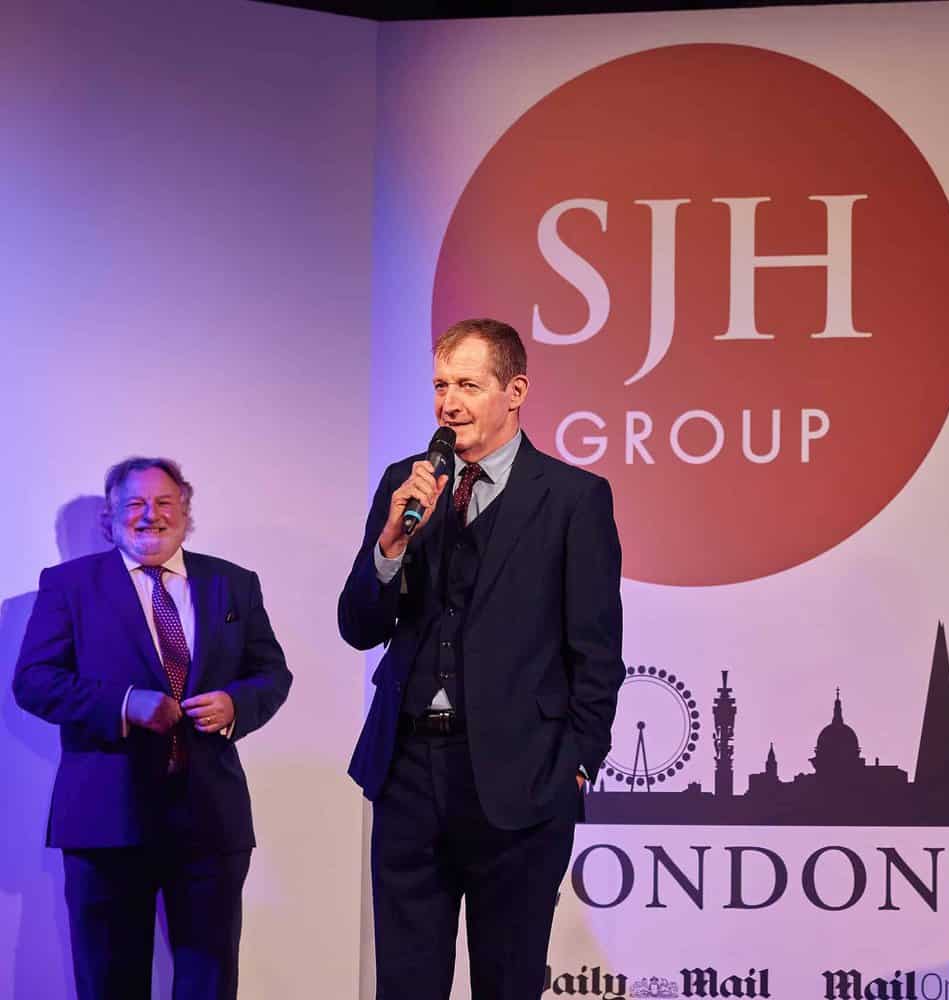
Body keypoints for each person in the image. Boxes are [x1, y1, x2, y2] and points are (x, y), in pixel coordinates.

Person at [339, 317, 625, 1000]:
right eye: (440, 385)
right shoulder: (403, 484)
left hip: (521, 781)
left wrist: (575, 767)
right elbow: (357, 626)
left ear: (515, 390)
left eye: (467, 384)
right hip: (408, 772)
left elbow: (596, 652)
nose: (448, 403)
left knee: (506, 981)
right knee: (405, 984)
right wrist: (390, 543)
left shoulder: (571, 498)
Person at [12, 457, 292, 1000]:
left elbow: (272, 674)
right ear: (109, 519)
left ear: (185, 511)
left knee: (208, 983)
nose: (150, 516)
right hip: (105, 821)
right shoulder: (69, 585)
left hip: (211, 820)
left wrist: (236, 704)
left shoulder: (233, 583)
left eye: (164, 503)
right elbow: (34, 681)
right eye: (134, 504)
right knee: (110, 983)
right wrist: (123, 704)